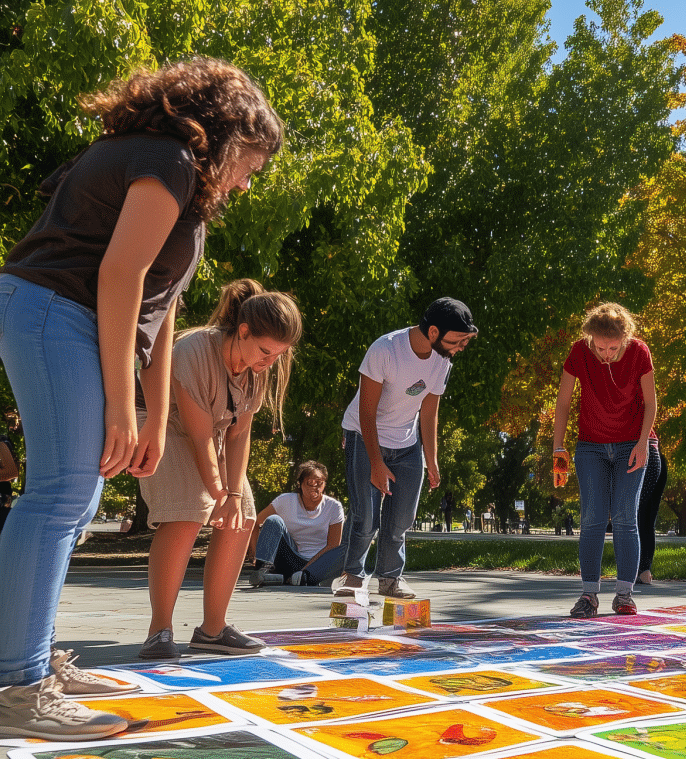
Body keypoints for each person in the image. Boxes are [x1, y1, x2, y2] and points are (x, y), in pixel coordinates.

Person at [0, 58, 281, 739]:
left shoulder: (184, 184)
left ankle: (30, 659)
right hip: (55, 311)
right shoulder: (168, 159)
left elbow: (161, 308)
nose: (248, 181)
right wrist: (124, 407)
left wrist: (151, 416)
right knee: (61, 493)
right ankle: (17, 685)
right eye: (252, 163)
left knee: (78, 498)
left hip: (74, 320)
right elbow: (119, 274)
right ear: (228, 132)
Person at [137, 279, 301, 659]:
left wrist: (234, 495)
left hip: (210, 428)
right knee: (187, 512)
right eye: (265, 351)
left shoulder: (258, 369)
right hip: (163, 423)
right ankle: (159, 630)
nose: (269, 362)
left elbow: (239, 434)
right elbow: (198, 438)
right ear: (243, 331)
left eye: (278, 355)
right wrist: (219, 493)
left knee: (243, 516)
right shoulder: (193, 350)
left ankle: (213, 629)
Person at [332, 298, 477, 600]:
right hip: (364, 435)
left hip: (407, 444)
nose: (461, 347)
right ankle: (353, 577)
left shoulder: (442, 361)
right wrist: (376, 462)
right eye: (457, 340)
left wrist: (431, 459)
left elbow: (429, 412)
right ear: (434, 332)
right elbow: (366, 412)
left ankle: (390, 579)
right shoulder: (385, 350)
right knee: (366, 517)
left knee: (401, 519)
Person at [552, 303, 657, 617]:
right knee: (592, 518)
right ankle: (589, 596)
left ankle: (624, 595)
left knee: (625, 517)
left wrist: (643, 442)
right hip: (591, 446)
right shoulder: (578, 352)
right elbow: (563, 402)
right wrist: (558, 449)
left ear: (625, 338)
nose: (606, 354)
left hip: (631, 443)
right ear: (589, 338)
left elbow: (650, 403)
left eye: (613, 348)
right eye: (600, 348)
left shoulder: (639, 352)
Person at [247, 459, 345, 587]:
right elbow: (256, 522)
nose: (315, 487)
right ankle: (263, 571)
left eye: (319, 483)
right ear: (300, 484)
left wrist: (305, 569)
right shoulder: (285, 500)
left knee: (348, 548)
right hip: (290, 558)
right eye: (310, 483)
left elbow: (333, 545)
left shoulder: (334, 507)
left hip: (318, 564)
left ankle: (300, 578)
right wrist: (254, 554)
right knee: (273, 520)